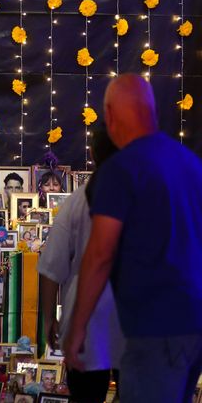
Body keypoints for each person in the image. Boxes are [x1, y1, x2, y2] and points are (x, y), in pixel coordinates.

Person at [64, 74, 202, 403]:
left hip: (155, 325)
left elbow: (100, 253)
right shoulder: (189, 162)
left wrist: (77, 326)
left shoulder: (122, 169)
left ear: (110, 114)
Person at [38, 127, 123, 403]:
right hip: (132, 319)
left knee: (86, 396)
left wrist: (48, 318)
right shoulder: (148, 195)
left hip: (88, 323)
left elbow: (51, 266)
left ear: (92, 154)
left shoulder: (76, 202)